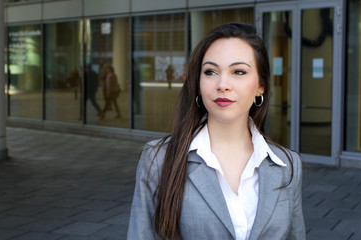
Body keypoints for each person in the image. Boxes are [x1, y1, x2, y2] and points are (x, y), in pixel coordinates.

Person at [127, 22, 305, 240]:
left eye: (238, 71)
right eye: (210, 71)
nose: (222, 84)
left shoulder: (287, 165)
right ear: (199, 82)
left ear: (261, 86)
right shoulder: (158, 159)